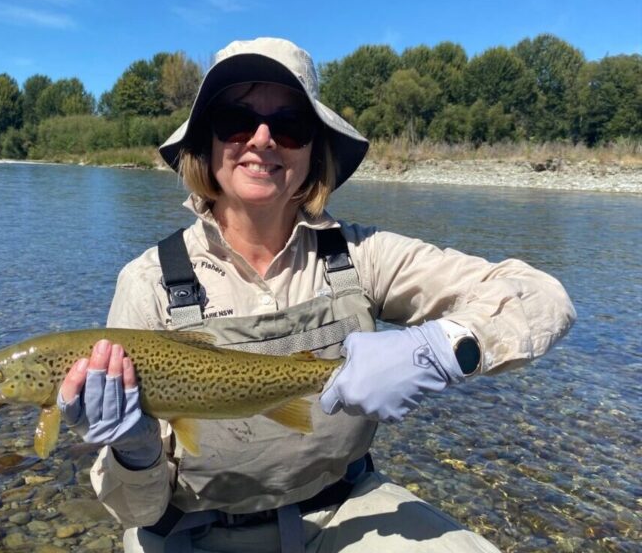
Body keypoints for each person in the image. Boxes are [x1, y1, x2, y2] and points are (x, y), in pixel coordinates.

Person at [57, 37, 576, 552]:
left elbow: (540, 296)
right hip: (194, 529)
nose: (262, 140)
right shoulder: (147, 281)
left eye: (289, 125)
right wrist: (133, 451)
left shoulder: (362, 255)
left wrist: (441, 349)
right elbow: (138, 513)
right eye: (236, 120)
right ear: (206, 144)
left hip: (346, 508)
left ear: (314, 151)